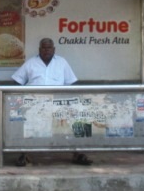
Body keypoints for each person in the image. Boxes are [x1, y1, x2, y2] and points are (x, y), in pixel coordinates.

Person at [11, 37, 90, 167]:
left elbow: (73, 82)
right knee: (29, 128)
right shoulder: (31, 63)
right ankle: (25, 155)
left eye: (49, 48)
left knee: (73, 124)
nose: (46, 50)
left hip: (58, 103)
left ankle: (78, 154)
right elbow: (16, 81)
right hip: (35, 104)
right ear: (39, 49)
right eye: (44, 47)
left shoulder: (62, 62)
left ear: (54, 49)